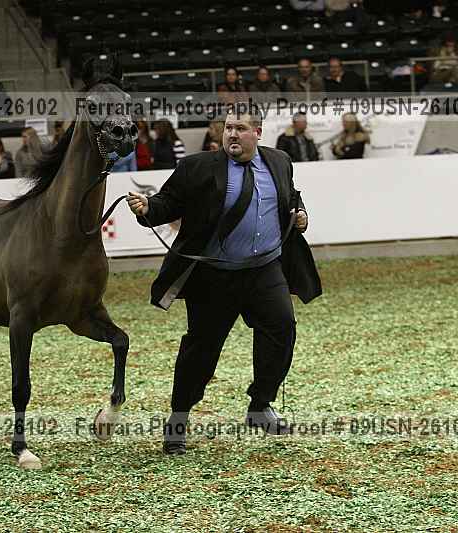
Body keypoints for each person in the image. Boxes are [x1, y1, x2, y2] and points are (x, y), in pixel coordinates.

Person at [125, 107, 321, 453]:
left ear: (257, 133)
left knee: (281, 330)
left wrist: (300, 213)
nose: (232, 134)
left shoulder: (279, 161)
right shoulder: (198, 167)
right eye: (228, 127)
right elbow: (168, 203)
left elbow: (290, 195)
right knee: (201, 350)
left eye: (240, 128)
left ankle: (260, 405)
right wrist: (147, 209)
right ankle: (178, 419)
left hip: (265, 270)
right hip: (214, 276)